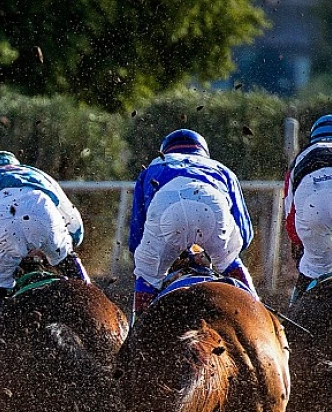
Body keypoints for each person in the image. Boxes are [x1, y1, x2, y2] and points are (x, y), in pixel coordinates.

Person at [0, 150, 89, 332]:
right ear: (16, 165)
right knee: (67, 261)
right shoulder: (36, 174)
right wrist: (64, 248)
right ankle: (90, 296)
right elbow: (76, 228)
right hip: (42, 210)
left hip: (0, 221)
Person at [128, 128, 256, 323]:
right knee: (230, 262)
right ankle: (257, 313)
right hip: (211, 205)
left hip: (166, 206)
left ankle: (135, 333)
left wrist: (153, 260)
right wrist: (224, 256)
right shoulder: (220, 168)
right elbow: (245, 235)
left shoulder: (152, 168)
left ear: (167, 151)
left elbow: (136, 237)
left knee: (147, 275)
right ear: (202, 153)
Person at [284, 114, 332, 305]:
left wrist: (301, 246)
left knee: (312, 267)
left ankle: (293, 316)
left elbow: (290, 218)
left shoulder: (299, 158)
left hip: (313, 212)